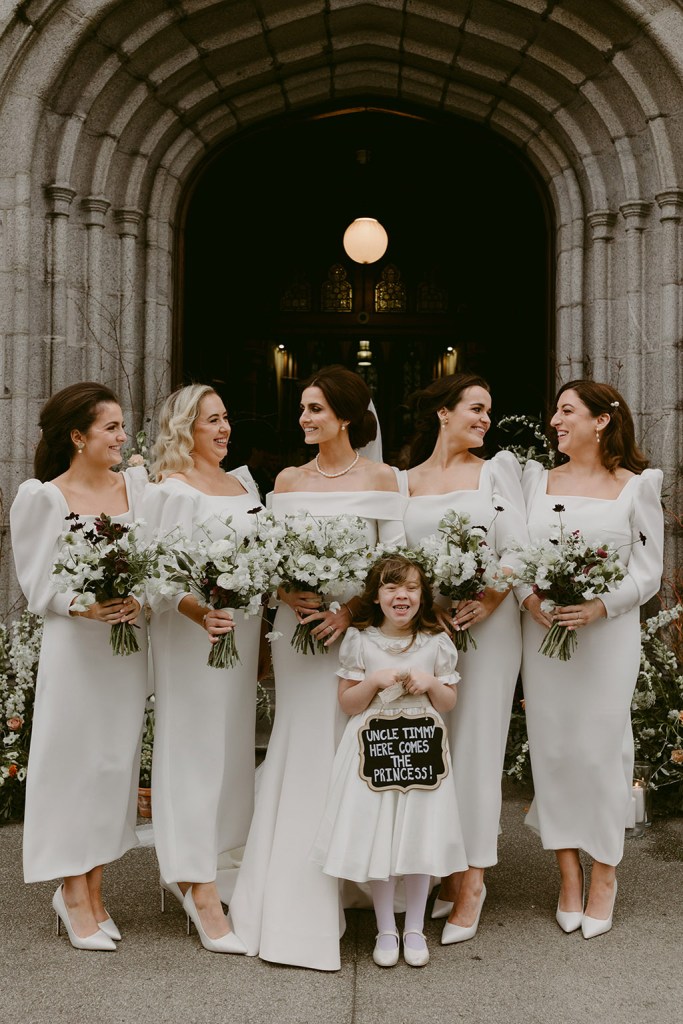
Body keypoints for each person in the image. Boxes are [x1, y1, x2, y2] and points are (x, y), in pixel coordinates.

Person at [230, 364, 406, 971]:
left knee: (349, 747)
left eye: (315, 410)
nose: (303, 419)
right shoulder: (287, 480)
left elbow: (395, 565)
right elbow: (269, 561)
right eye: (303, 409)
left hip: (354, 638)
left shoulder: (385, 478)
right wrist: (286, 593)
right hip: (296, 634)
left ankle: (361, 883)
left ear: (348, 418)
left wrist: (352, 611)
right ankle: (296, 898)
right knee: (301, 743)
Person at [520, 380, 663, 938]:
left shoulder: (635, 487)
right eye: (555, 410)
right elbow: (516, 555)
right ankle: (568, 875)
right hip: (546, 634)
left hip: (607, 638)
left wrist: (601, 606)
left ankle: (605, 871)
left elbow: (647, 573)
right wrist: (529, 598)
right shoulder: (538, 481)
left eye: (567, 411)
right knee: (553, 747)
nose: (555, 420)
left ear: (602, 421)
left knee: (603, 748)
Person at [10, 382, 148, 950]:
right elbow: (36, 582)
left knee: (112, 767)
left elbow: (153, 558)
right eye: (111, 428)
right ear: (77, 436)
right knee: (73, 764)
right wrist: (85, 605)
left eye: (122, 427)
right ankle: (72, 891)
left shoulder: (137, 489)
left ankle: (94, 886)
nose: (122, 437)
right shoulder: (44, 497)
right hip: (76, 648)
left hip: (126, 647)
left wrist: (142, 596)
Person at [402, 373, 527, 943]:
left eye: (488, 411)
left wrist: (491, 595)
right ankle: (445, 871)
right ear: (443, 413)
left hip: (488, 627)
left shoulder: (498, 470)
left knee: (475, 746)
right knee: (436, 746)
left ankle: (473, 877)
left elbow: (520, 545)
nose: (484, 419)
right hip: (430, 632)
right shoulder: (404, 481)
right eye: (475, 408)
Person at [144, 384, 262, 954]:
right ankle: (196, 879)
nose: (225, 429)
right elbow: (158, 573)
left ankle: (228, 859)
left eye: (226, 418)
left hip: (241, 636)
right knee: (193, 747)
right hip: (195, 638)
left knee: (233, 746)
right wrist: (199, 612)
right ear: (185, 428)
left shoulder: (242, 484)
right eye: (212, 420)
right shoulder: (173, 490)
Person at [311, 555, 467, 968]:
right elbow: (347, 702)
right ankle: (386, 928)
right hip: (374, 754)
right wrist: (374, 682)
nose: (402, 595)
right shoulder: (361, 641)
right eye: (392, 588)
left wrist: (432, 682)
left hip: (423, 753)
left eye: (412, 588)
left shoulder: (436, 642)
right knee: (380, 836)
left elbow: (449, 701)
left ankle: (413, 926)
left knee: (417, 834)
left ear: (423, 595)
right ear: (376, 597)